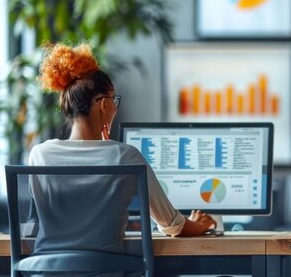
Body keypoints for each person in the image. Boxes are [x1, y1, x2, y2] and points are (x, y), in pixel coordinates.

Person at [28, 44, 216, 255]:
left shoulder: (39, 154)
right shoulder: (125, 156)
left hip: (45, 270)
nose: (115, 107)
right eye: (114, 99)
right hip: (106, 270)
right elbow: (173, 225)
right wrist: (199, 224)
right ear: (102, 105)